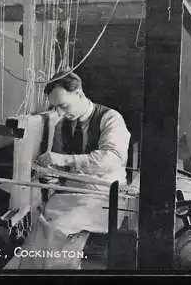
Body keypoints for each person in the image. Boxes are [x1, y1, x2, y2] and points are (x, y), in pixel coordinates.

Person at [8, 71, 132, 269]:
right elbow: (60, 171)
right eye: (55, 107)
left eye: (63, 105)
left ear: (80, 94)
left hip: (105, 194)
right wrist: (51, 177)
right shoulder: (63, 125)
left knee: (57, 229)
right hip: (74, 191)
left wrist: (64, 160)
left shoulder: (110, 118)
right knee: (41, 226)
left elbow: (112, 159)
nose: (60, 112)